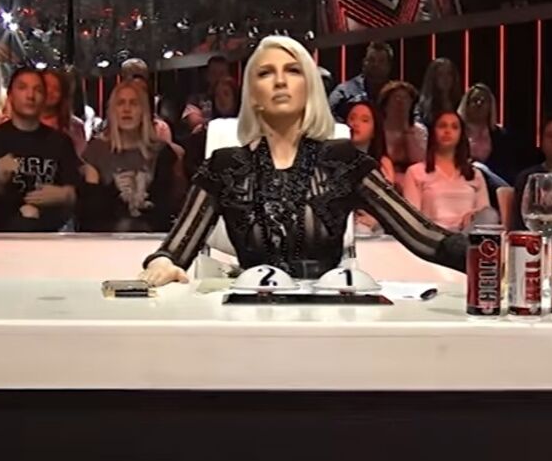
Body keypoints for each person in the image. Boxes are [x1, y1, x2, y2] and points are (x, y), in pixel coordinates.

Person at [139, 35, 469, 286]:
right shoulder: (223, 166)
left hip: (327, 322)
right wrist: (161, 264)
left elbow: (424, 237)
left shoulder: (345, 161)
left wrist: (485, 257)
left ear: (308, 87)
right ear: (253, 95)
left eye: (293, 70)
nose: (280, 80)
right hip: (248, 320)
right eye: (266, 73)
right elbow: (174, 251)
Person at [0, 67, 81, 232]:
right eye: (22, 88)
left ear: (44, 98)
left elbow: (75, 196)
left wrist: (64, 195)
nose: (30, 95)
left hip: (47, 237)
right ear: (10, 96)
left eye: (38, 90)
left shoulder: (61, 143)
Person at [78, 81, 182, 232]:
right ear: (113, 111)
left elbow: (166, 208)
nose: (126, 109)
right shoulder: (96, 150)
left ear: (143, 111)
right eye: (121, 103)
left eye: (133, 103)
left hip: (151, 237)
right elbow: (91, 211)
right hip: (106, 237)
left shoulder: (162, 152)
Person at [402, 111, 495, 231]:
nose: (447, 131)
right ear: (433, 132)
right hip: (435, 235)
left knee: (491, 215)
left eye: (454, 127)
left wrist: (473, 215)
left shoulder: (475, 174)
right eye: (442, 126)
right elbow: (412, 219)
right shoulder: (415, 172)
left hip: (467, 234)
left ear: (461, 135)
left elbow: (485, 216)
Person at [346, 101, 396, 234]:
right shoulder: (332, 161)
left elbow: (389, 206)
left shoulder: (383, 164)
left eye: (364, 120)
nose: (355, 124)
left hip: (371, 228)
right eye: (352, 118)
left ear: (375, 131)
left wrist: (376, 220)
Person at [183, 75, 242, 181]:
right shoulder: (202, 133)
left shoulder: (248, 130)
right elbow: (192, 166)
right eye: (217, 95)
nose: (221, 99)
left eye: (226, 94)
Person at [458, 83, 517, 182]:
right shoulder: (457, 132)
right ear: (466, 105)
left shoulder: (500, 135)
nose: (479, 104)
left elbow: (507, 167)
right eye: (475, 100)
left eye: (483, 101)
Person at [328, 41, 393, 122]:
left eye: (381, 61)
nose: (376, 64)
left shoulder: (396, 93)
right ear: (364, 63)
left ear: (389, 66)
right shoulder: (345, 91)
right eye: (371, 60)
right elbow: (327, 114)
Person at [380, 81, 428, 183]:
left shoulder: (419, 130)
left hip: (414, 180)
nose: (401, 103)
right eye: (396, 98)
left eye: (406, 98)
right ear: (385, 104)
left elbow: (420, 161)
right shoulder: (378, 130)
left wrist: (407, 131)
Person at [41, 68, 88, 155]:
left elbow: (79, 157)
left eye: (56, 89)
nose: (49, 91)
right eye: (45, 85)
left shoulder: (75, 126)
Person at [182, 55, 231, 133]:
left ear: (228, 76)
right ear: (207, 75)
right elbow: (193, 120)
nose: (218, 77)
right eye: (214, 73)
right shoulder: (197, 98)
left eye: (222, 73)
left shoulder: (237, 97)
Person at [417, 58, 462, 128]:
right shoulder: (424, 107)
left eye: (449, 74)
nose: (445, 78)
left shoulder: (460, 103)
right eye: (440, 74)